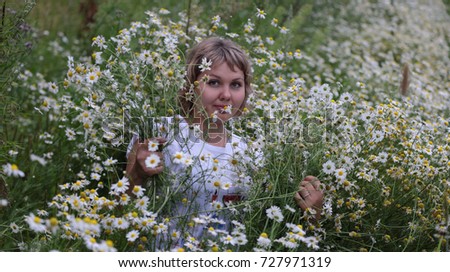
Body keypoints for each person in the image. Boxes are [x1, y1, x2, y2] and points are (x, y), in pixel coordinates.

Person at [125, 37, 323, 239]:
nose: (226, 95)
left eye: (236, 84)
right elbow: (121, 210)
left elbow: (265, 228)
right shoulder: (160, 133)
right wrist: (136, 176)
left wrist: (313, 212)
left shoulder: (251, 153)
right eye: (213, 82)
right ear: (191, 87)